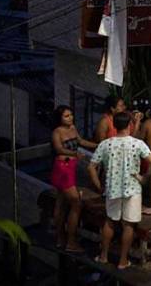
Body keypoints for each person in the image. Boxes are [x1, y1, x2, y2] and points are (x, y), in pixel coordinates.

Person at [88, 111, 151, 269]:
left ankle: (104, 256)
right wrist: (144, 178)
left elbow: (91, 167)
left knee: (110, 221)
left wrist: (99, 185)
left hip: (112, 188)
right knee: (129, 225)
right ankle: (123, 261)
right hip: (132, 189)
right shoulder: (137, 143)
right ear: (130, 125)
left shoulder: (105, 144)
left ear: (114, 125)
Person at [50, 106, 97, 252]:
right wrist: (74, 154)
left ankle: (61, 239)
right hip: (63, 168)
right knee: (76, 203)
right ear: (59, 118)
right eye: (66, 116)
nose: (70, 118)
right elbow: (58, 149)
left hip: (70, 168)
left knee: (62, 202)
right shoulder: (57, 132)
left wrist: (97, 145)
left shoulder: (73, 128)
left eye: (71, 115)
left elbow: (81, 141)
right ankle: (70, 241)